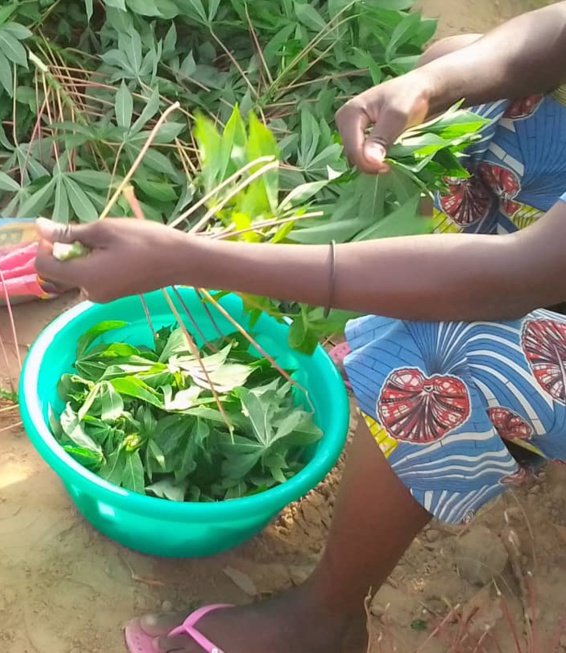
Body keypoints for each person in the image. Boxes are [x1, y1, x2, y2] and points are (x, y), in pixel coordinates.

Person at [35, 3, 566, 652]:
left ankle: (327, 619)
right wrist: (430, 84)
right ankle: (417, 301)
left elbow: (514, 279)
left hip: (534, 271)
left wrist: (186, 256)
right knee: (458, 77)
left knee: (439, 350)